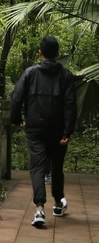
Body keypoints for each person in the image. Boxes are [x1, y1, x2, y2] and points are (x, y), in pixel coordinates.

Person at [10, 36, 77, 229]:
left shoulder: (30, 73)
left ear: (40, 53)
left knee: (37, 167)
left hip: (35, 129)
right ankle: (58, 203)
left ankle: (39, 209)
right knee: (57, 166)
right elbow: (70, 105)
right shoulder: (66, 76)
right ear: (57, 54)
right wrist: (67, 131)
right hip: (58, 130)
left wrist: (17, 119)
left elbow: (16, 97)